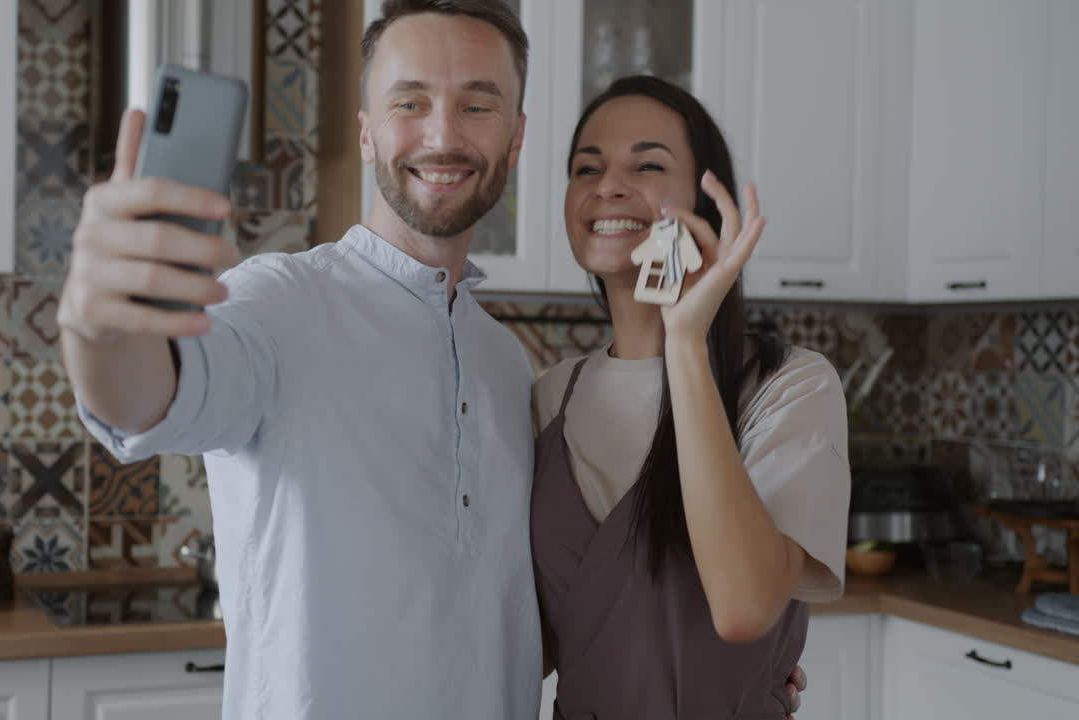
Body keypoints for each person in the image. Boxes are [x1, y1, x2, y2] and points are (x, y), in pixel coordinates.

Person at [59, 0, 807, 715]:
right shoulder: (277, 304)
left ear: (515, 140)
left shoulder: (509, 368)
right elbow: (143, 400)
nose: (443, 135)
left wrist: (716, 666)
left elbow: (534, 616)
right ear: (366, 133)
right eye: (410, 103)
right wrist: (99, 325)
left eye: (477, 105)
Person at [531, 74, 850, 719]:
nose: (608, 186)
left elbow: (741, 611)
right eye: (585, 168)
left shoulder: (790, 387)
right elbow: (533, 637)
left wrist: (683, 345)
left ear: (708, 204)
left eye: (647, 164)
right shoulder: (547, 398)